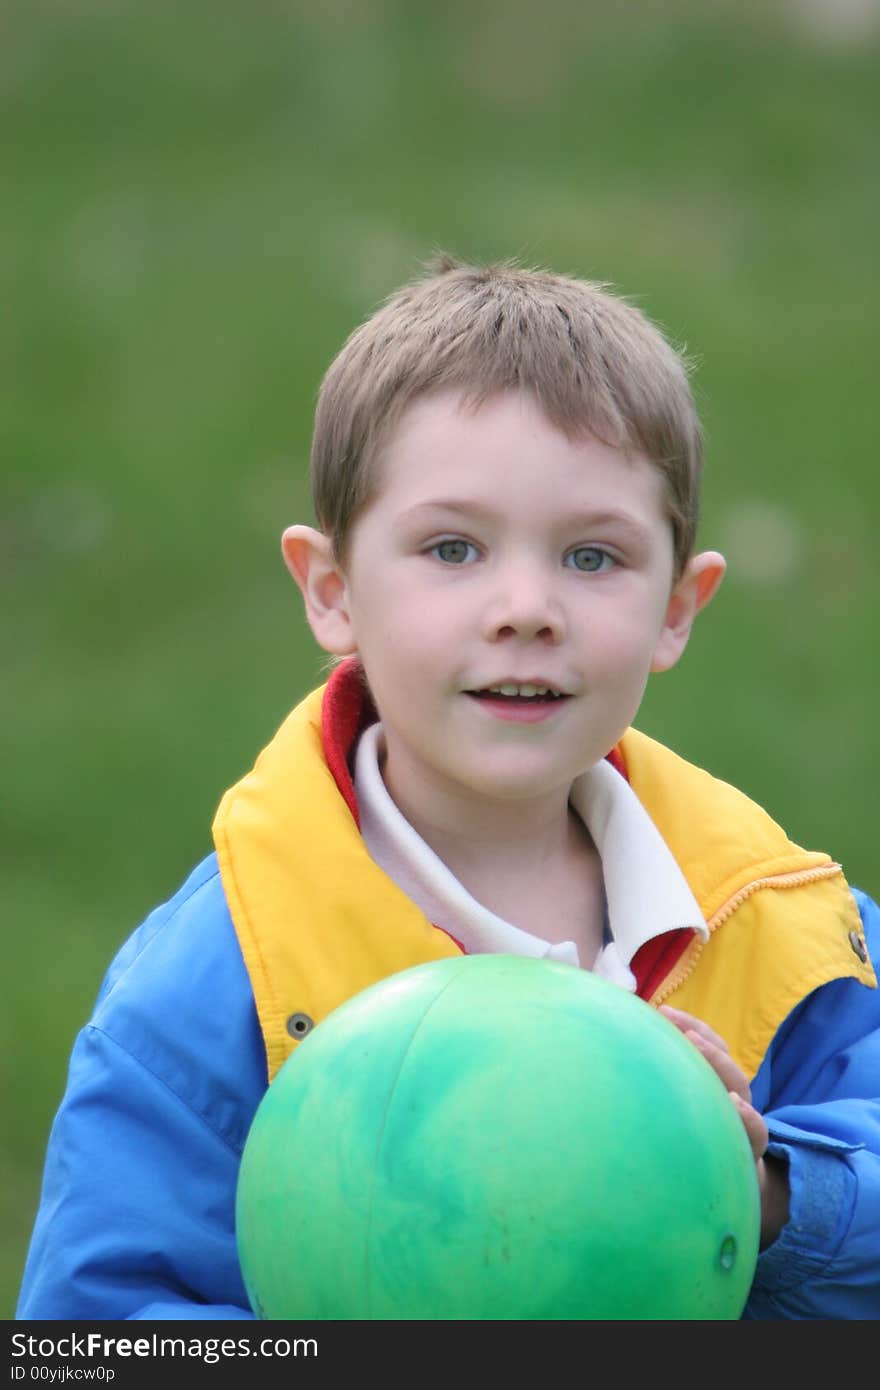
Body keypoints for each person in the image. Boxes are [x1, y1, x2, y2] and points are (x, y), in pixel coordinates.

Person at [17, 256, 879, 1322]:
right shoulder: (224, 976)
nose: (525, 607)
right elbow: (100, 1326)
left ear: (678, 607)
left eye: (593, 557)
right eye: (453, 547)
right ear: (331, 592)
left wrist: (769, 1195)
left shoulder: (785, 927)